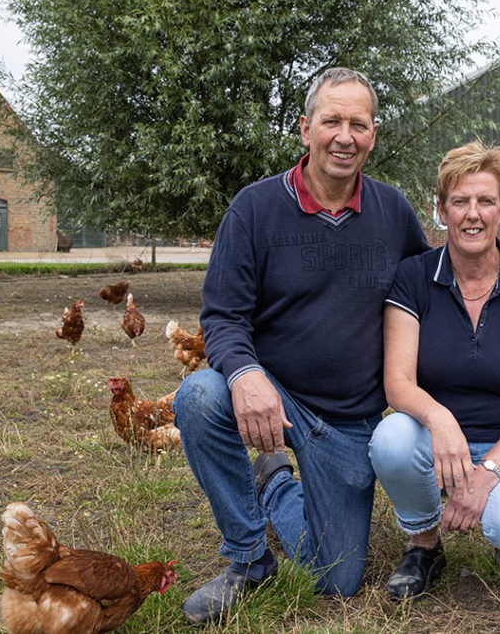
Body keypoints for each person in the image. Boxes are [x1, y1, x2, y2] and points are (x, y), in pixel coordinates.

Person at [173, 67, 429, 624]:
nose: (344, 135)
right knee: (199, 396)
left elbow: (430, 294)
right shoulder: (255, 208)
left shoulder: (394, 213)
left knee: (334, 578)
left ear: (374, 134)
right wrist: (243, 375)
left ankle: (273, 486)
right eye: (331, 120)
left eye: (358, 123)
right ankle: (247, 557)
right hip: (276, 396)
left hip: (351, 421)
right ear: (304, 128)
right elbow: (222, 315)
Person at [368, 140, 500, 599]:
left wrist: (487, 474)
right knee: (391, 439)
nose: (472, 214)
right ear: (441, 209)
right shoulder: (414, 278)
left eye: (485, 201)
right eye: (459, 201)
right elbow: (397, 383)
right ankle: (424, 543)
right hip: (437, 441)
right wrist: (440, 420)